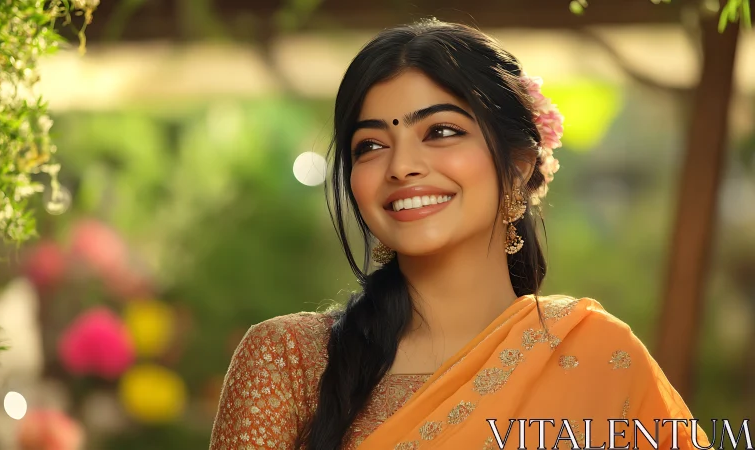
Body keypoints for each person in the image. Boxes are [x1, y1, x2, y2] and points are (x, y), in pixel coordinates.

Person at [209, 19, 713, 450]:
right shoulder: (289, 360)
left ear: (518, 164)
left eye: (441, 131)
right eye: (370, 145)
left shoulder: (600, 360)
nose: (402, 166)